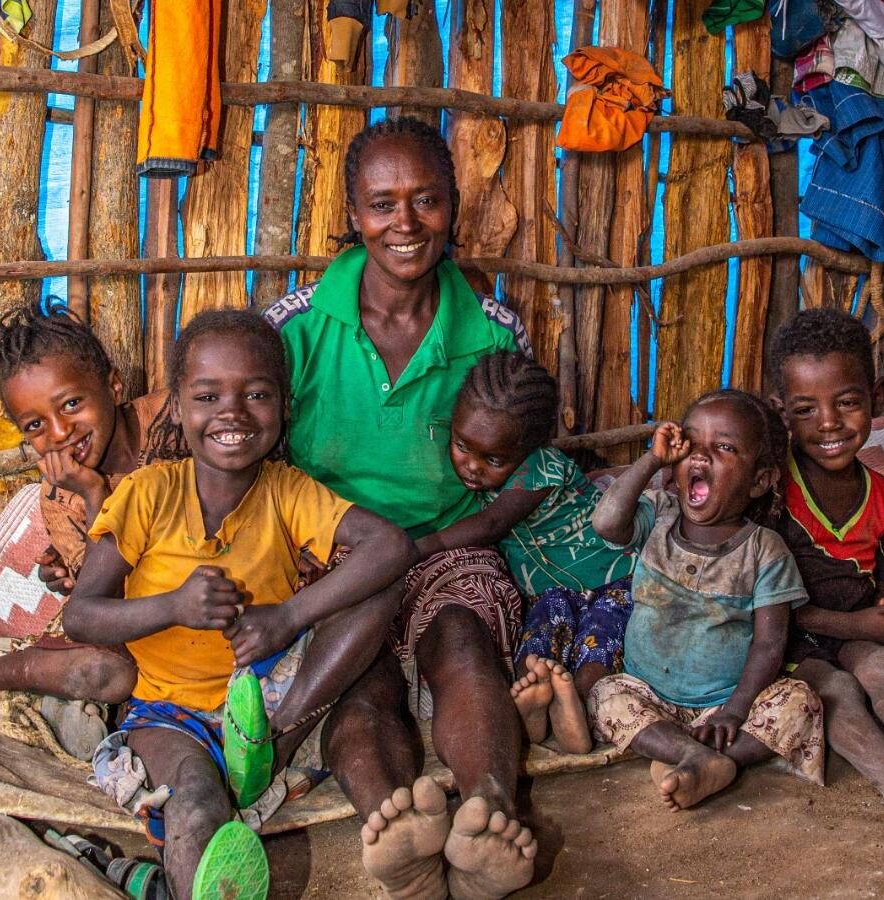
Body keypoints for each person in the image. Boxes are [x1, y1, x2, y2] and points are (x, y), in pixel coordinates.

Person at [264, 117, 537, 900]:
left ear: (454, 205)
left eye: (426, 200)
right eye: (382, 204)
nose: (405, 223)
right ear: (352, 213)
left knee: (463, 645)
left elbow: (521, 458)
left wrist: (437, 546)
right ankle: (396, 829)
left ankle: (488, 811)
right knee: (363, 680)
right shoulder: (299, 324)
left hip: (447, 542)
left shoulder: (491, 332)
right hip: (332, 551)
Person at [64, 309, 417, 899]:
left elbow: (391, 545)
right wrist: (173, 606)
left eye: (256, 393)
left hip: (269, 692)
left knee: (380, 585)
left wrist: (287, 618)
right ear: (176, 406)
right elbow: (81, 615)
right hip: (171, 712)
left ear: (284, 406)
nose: (232, 412)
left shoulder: (287, 490)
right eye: (208, 395)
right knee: (197, 805)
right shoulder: (146, 493)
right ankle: (166, 877)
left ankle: (267, 747)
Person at [590, 389, 825, 811]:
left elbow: (770, 644)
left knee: (799, 702)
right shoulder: (659, 515)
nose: (701, 456)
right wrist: (652, 460)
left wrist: (734, 711)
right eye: (691, 444)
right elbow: (606, 523)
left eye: (724, 448)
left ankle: (701, 759)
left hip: (722, 707)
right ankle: (695, 759)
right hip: (648, 691)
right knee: (606, 694)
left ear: (759, 480)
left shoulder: (764, 551)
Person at [416, 350, 638, 754]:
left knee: (600, 639)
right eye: (462, 445)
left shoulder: (542, 468)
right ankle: (534, 703)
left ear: (531, 447)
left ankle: (580, 703)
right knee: (537, 642)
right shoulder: (484, 474)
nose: (472, 467)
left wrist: (416, 549)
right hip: (552, 591)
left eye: (493, 459)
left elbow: (491, 526)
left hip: (611, 578)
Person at [0, 300, 167, 753]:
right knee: (109, 673)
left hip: (210, 599)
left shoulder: (175, 421)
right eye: (35, 425)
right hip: (143, 628)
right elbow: (99, 609)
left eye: (70, 403)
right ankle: (3, 672)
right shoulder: (61, 497)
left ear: (113, 383)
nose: (60, 431)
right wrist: (92, 494)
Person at [769, 307, 884, 798]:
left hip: (859, 631)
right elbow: (765, 602)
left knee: (878, 672)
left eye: (847, 402)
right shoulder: (770, 489)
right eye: (806, 410)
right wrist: (856, 625)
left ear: (874, 400)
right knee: (835, 695)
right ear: (781, 413)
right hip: (789, 643)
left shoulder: (879, 493)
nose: (830, 423)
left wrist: (869, 625)